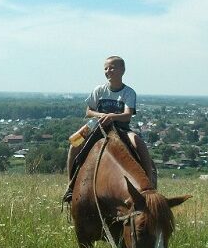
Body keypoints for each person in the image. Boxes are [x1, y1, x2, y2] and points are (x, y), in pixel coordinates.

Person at [66, 55, 157, 193]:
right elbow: (88, 111)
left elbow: (127, 115)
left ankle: (149, 183)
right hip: (95, 124)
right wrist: (101, 115)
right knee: (74, 143)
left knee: (139, 143)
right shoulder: (99, 90)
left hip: (120, 127)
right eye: (106, 68)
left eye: (112, 68)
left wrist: (112, 117)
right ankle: (71, 184)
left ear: (122, 70)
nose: (108, 71)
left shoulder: (128, 92)